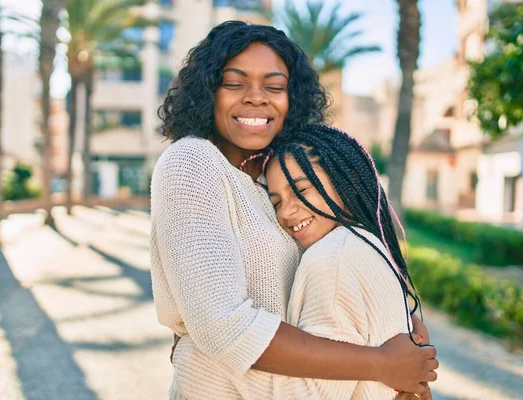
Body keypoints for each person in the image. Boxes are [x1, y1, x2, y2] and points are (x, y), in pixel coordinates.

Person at [150, 21, 437, 399]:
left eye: (274, 86)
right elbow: (223, 326)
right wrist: (379, 362)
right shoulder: (193, 162)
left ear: (292, 99)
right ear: (208, 93)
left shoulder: (276, 175)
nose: (256, 97)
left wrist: (397, 321)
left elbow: (341, 259)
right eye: (235, 83)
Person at [261, 124, 431, 399]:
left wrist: (201, 359)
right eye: (276, 201)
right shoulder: (367, 244)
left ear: (344, 180)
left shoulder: (330, 258)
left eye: (301, 189)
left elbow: (313, 393)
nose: (287, 211)